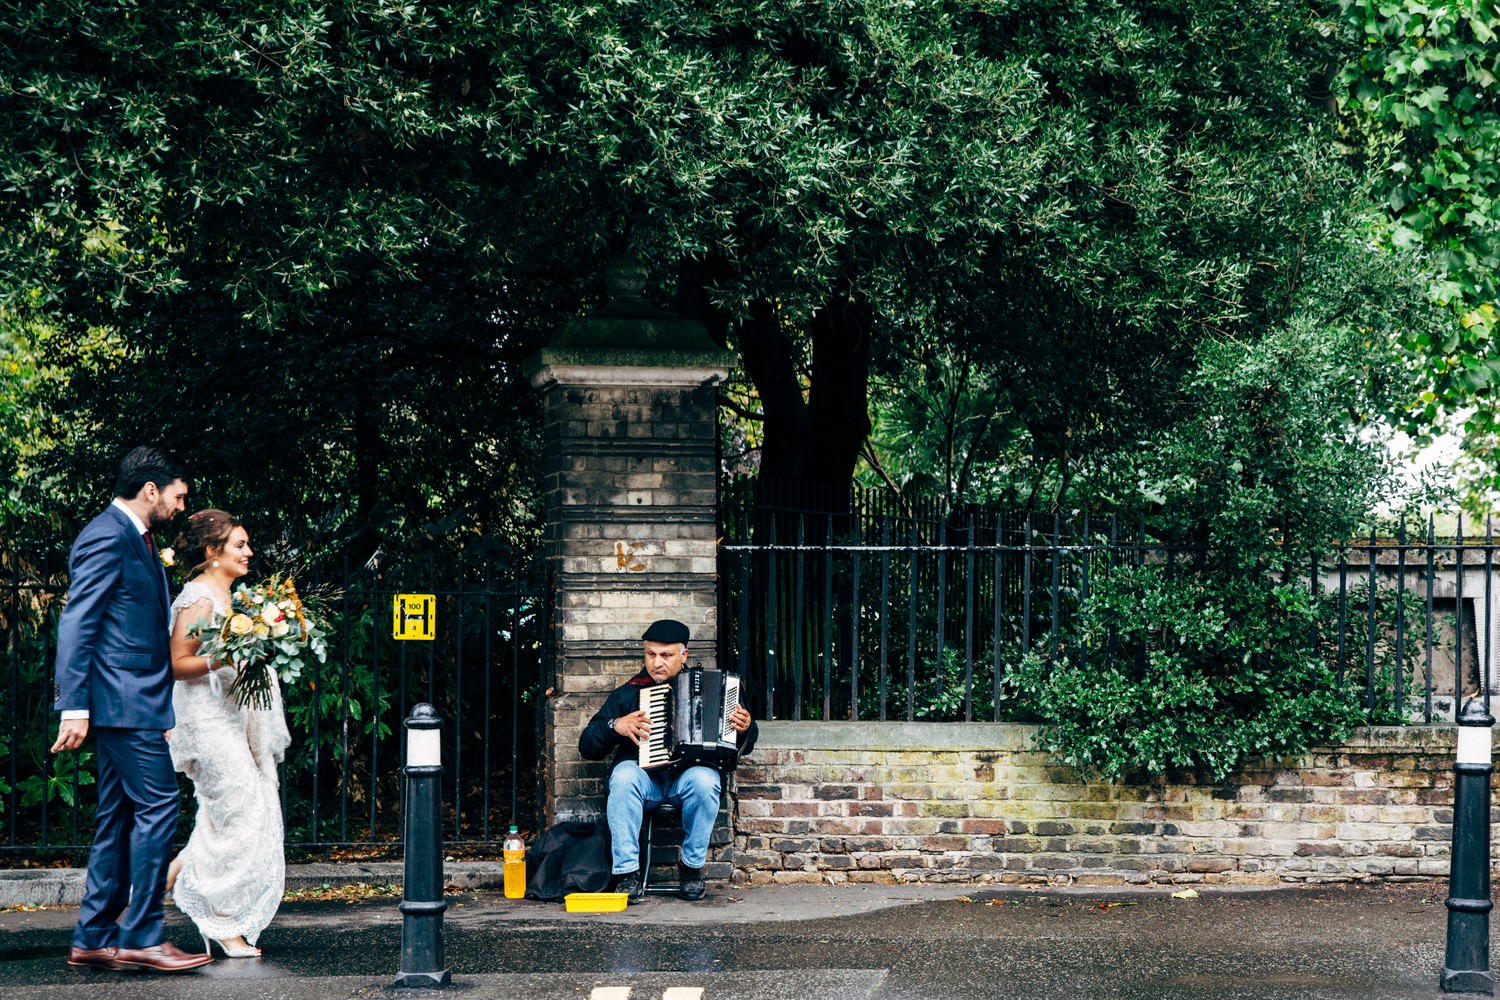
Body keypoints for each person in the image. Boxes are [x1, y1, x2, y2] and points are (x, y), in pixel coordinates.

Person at [50, 447, 210, 973]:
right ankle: (141, 933)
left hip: (134, 699)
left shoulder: (135, 539)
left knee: (118, 818)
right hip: (121, 701)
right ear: (150, 490)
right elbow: (77, 622)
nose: (180, 507)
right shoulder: (107, 534)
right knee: (160, 806)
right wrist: (74, 706)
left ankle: (94, 936)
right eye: (178, 496)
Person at [164, 509, 290, 958]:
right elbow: (178, 664)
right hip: (207, 721)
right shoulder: (200, 601)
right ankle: (219, 920)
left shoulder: (237, 600)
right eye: (239, 544)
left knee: (236, 811)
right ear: (213, 551)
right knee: (244, 810)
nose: (249, 552)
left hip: (234, 717)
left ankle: (179, 868)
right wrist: (225, 655)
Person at [578, 619, 757, 902]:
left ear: (683, 655)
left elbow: (743, 746)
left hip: (684, 782)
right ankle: (626, 874)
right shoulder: (628, 694)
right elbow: (587, 746)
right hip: (644, 781)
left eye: (666, 655)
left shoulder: (712, 690)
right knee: (623, 776)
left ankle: (691, 867)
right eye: (651, 654)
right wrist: (615, 725)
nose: (657, 663)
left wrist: (746, 727)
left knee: (706, 779)